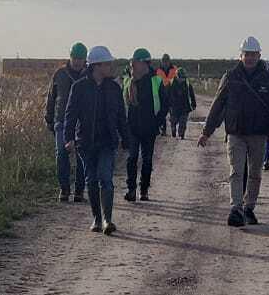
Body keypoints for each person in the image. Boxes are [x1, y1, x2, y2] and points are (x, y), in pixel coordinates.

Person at [199, 36, 269, 227]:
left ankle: (249, 207)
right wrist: (206, 131)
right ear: (240, 56)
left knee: (255, 173)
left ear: (259, 55)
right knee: (236, 171)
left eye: (253, 54)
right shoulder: (231, 77)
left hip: (258, 134)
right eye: (246, 54)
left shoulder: (268, 79)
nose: (250, 58)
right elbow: (218, 105)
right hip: (236, 133)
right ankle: (236, 209)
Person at [62, 46, 125, 235]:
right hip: (86, 143)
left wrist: (126, 138)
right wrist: (68, 138)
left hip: (107, 141)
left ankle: (107, 220)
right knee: (91, 180)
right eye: (107, 64)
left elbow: (121, 115)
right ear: (97, 66)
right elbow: (70, 115)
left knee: (106, 178)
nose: (110, 67)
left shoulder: (114, 88)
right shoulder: (79, 87)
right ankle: (97, 218)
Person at [45, 42, 89, 203]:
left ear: (85, 59)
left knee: (82, 157)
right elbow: (51, 97)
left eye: (81, 58)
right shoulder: (60, 74)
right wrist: (49, 118)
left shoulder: (89, 75)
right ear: (70, 57)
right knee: (61, 154)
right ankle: (64, 189)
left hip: (82, 123)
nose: (77, 61)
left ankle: (79, 191)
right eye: (75, 58)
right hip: (61, 121)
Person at [123, 48, 167, 202]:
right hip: (133, 126)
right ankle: (131, 190)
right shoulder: (129, 78)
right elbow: (124, 102)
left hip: (150, 127)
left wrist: (159, 122)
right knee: (132, 158)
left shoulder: (156, 79)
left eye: (135, 62)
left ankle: (144, 190)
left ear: (144, 63)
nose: (132, 65)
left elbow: (164, 102)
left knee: (147, 159)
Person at [166, 68, 195, 138]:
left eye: (183, 78)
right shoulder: (171, 84)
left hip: (184, 107)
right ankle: (173, 130)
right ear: (177, 76)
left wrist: (193, 104)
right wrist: (167, 105)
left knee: (183, 122)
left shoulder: (187, 84)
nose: (182, 79)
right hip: (174, 107)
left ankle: (181, 134)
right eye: (181, 78)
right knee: (173, 121)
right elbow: (167, 95)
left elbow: (191, 95)